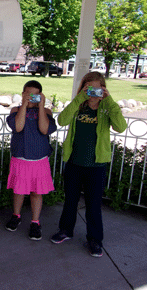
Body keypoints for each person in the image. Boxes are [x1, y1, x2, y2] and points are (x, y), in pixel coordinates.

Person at [50, 72, 127, 257]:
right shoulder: (79, 106)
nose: (93, 92)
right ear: (84, 87)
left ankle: (95, 240)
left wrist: (109, 101)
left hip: (96, 165)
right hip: (75, 163)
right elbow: (61, 120)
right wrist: (79, 98)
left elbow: (121, 127)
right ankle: (66, 230)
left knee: (93, 204)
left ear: (103, 88)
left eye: (97, 88)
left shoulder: (106, 108)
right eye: (89, 88)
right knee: (70, 200)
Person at [5, 80, 57, 240]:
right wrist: (23, 105)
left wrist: (41, 106)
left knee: (36, 192)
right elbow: (18, 127)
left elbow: (44, 129)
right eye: (28, 94)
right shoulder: (16, 110)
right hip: (20, 159)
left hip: (39, 160)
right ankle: (16, 215)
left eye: (36, 94)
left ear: (41, 95)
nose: (32, 97)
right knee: (19, 191)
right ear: (23, 94)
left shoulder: (47, 112)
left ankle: (35, 222)